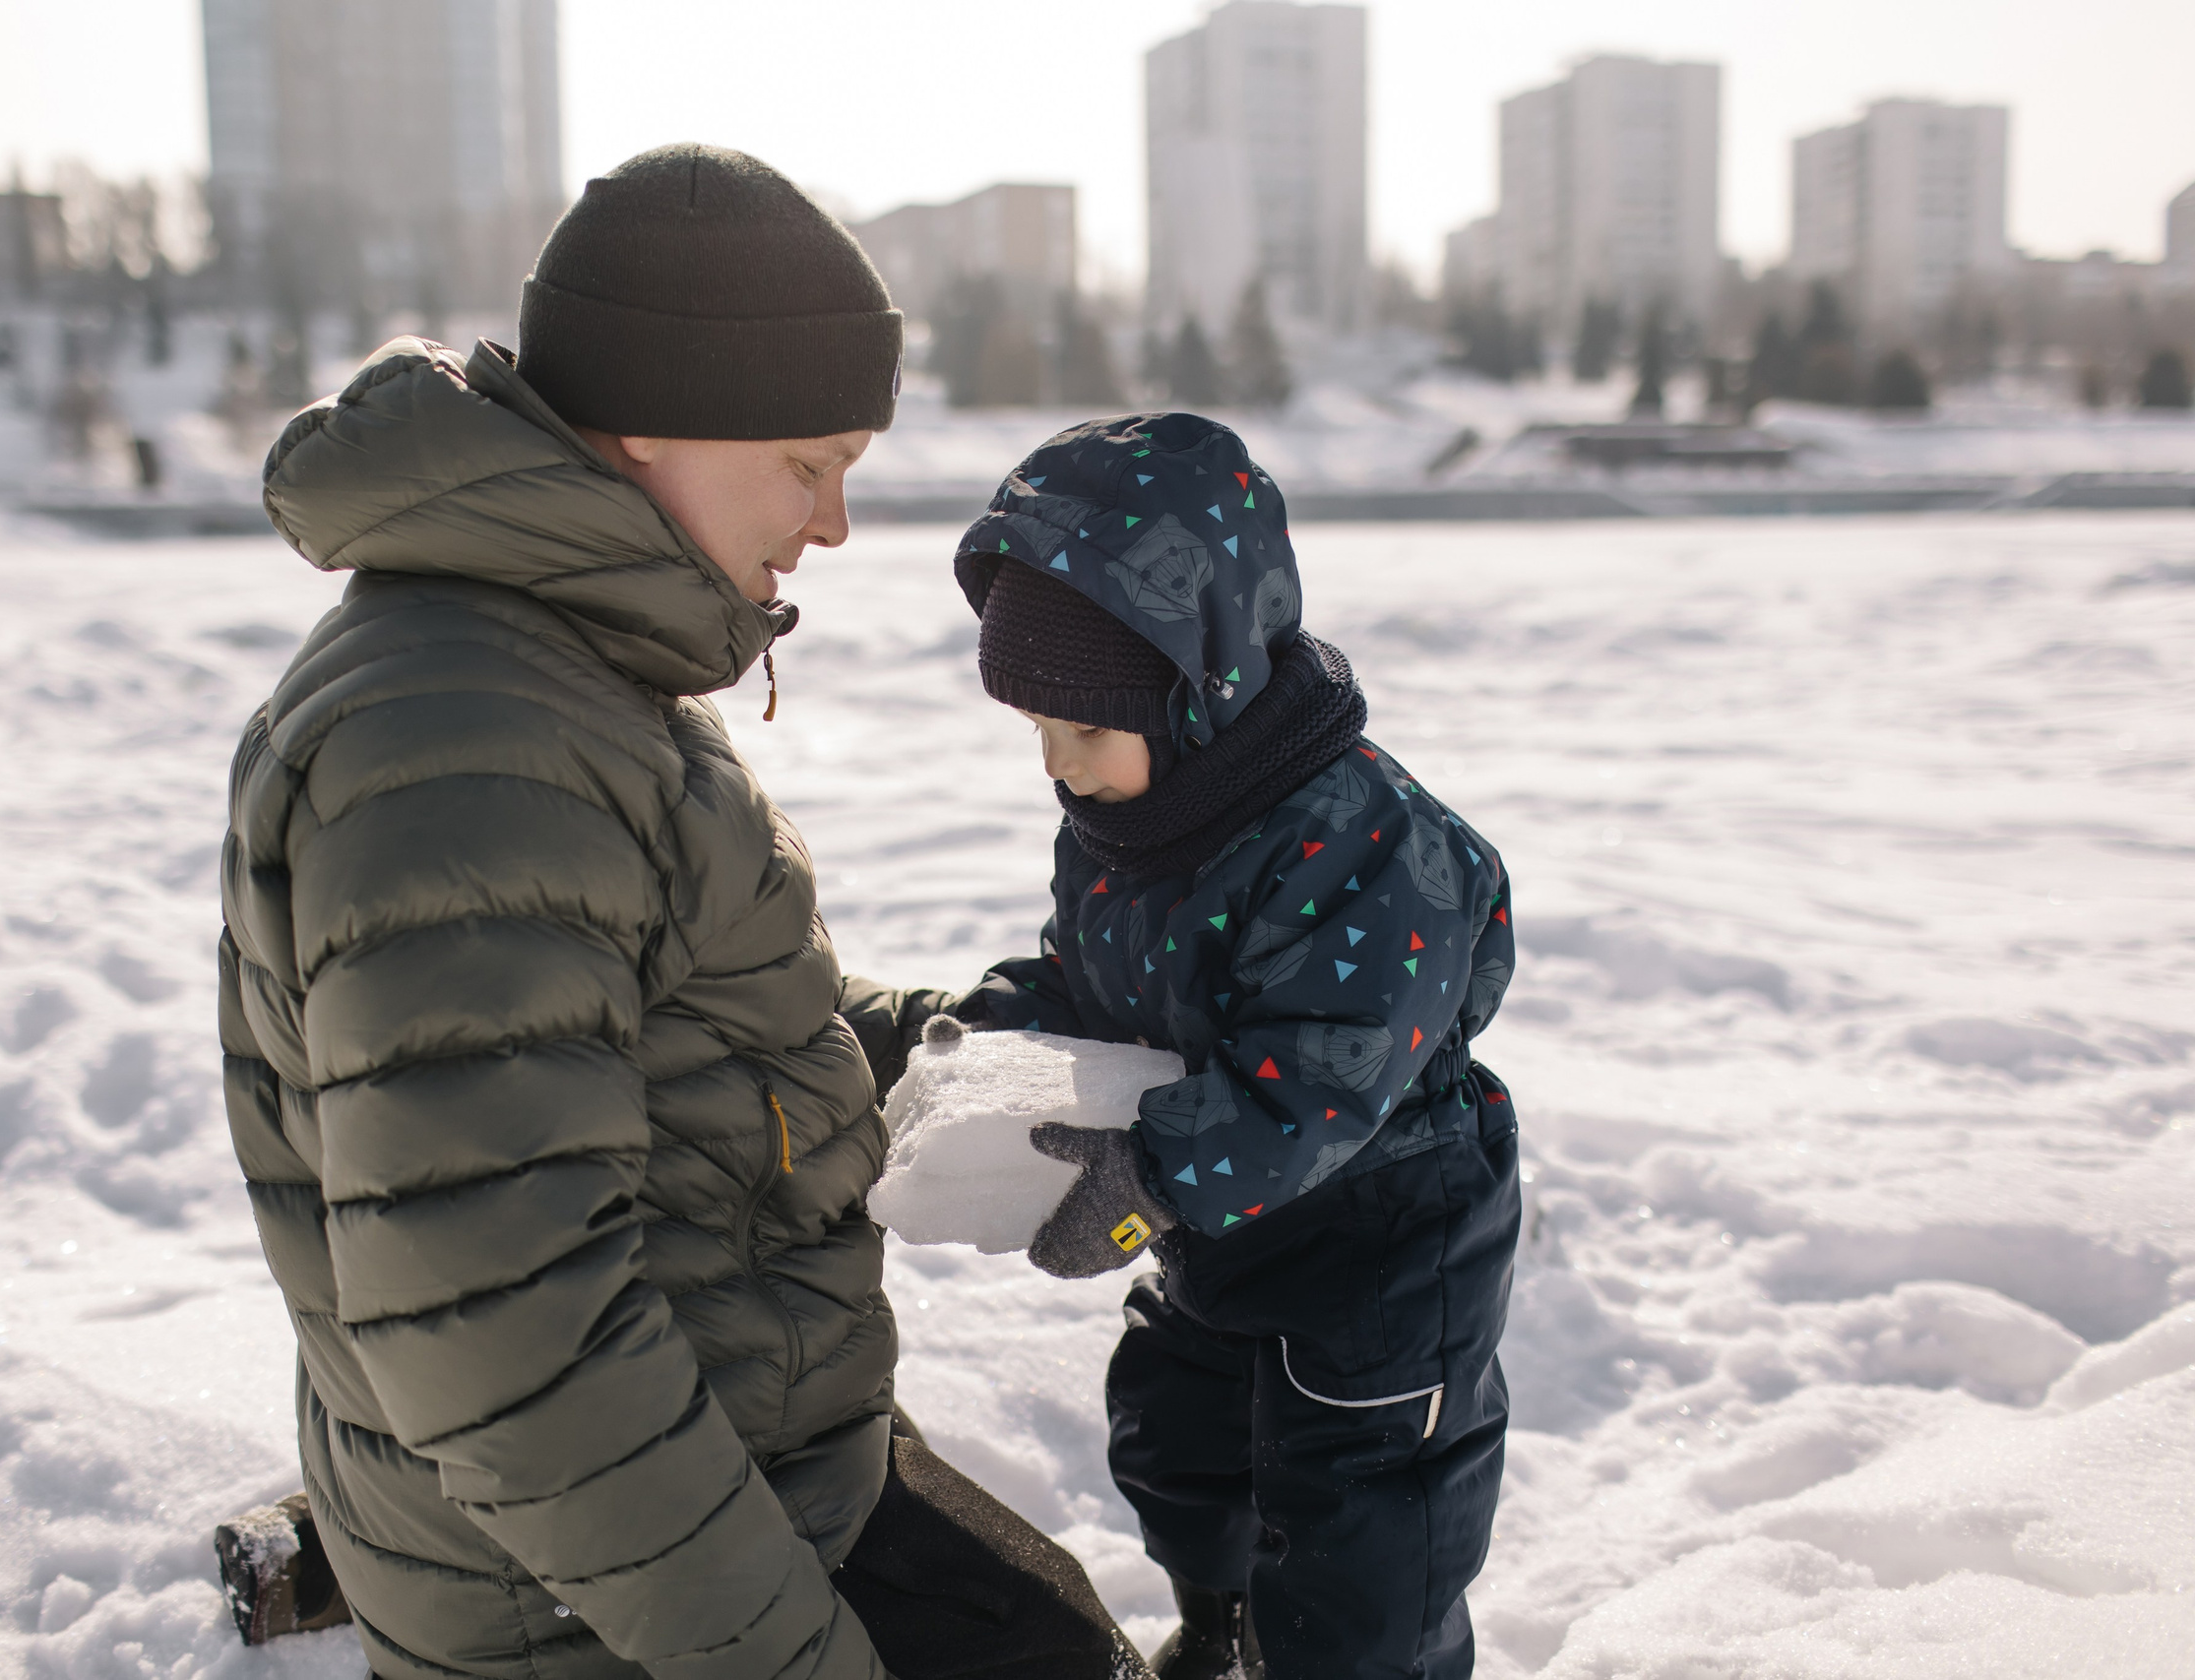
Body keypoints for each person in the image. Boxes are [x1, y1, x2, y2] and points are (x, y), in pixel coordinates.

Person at [217, 143, 1136, 1680]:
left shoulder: (552, 665)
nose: (834, 523)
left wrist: (950, 1049)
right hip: (591, 1606)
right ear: (656, 416)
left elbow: (665, 1034)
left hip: (745, 1461)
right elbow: (510, 1341)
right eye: (807, 461)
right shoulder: (467, 739)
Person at [941, 412, 1522, 1679]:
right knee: (1177, 1441)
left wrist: (1151, 1177)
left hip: (1380, 1239)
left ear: (1193, 687)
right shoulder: (1128, 814)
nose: (1056, 765)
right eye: (1034, 729)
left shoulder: (1362, 843)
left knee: (1364, 1537)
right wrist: (982, 1037)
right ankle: (1223, 1632)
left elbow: (1323, 1073)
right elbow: (1095, 983)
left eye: (1082, 730)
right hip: (1224, 1222)